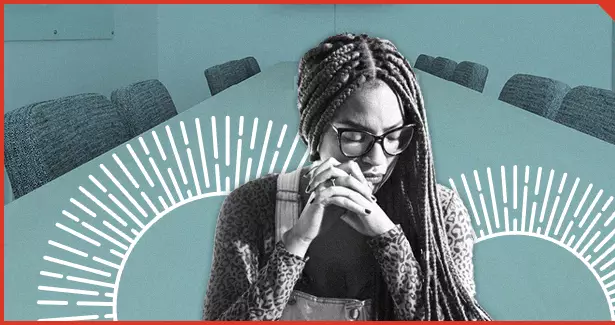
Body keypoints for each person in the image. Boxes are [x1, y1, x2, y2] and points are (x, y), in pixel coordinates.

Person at [202, 33, 492, 321]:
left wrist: (389, 240)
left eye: (394, 136)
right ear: (312, 134)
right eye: (354, 137)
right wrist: (295, 243)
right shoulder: (251, 206)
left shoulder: (440, 213)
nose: (377, 160)